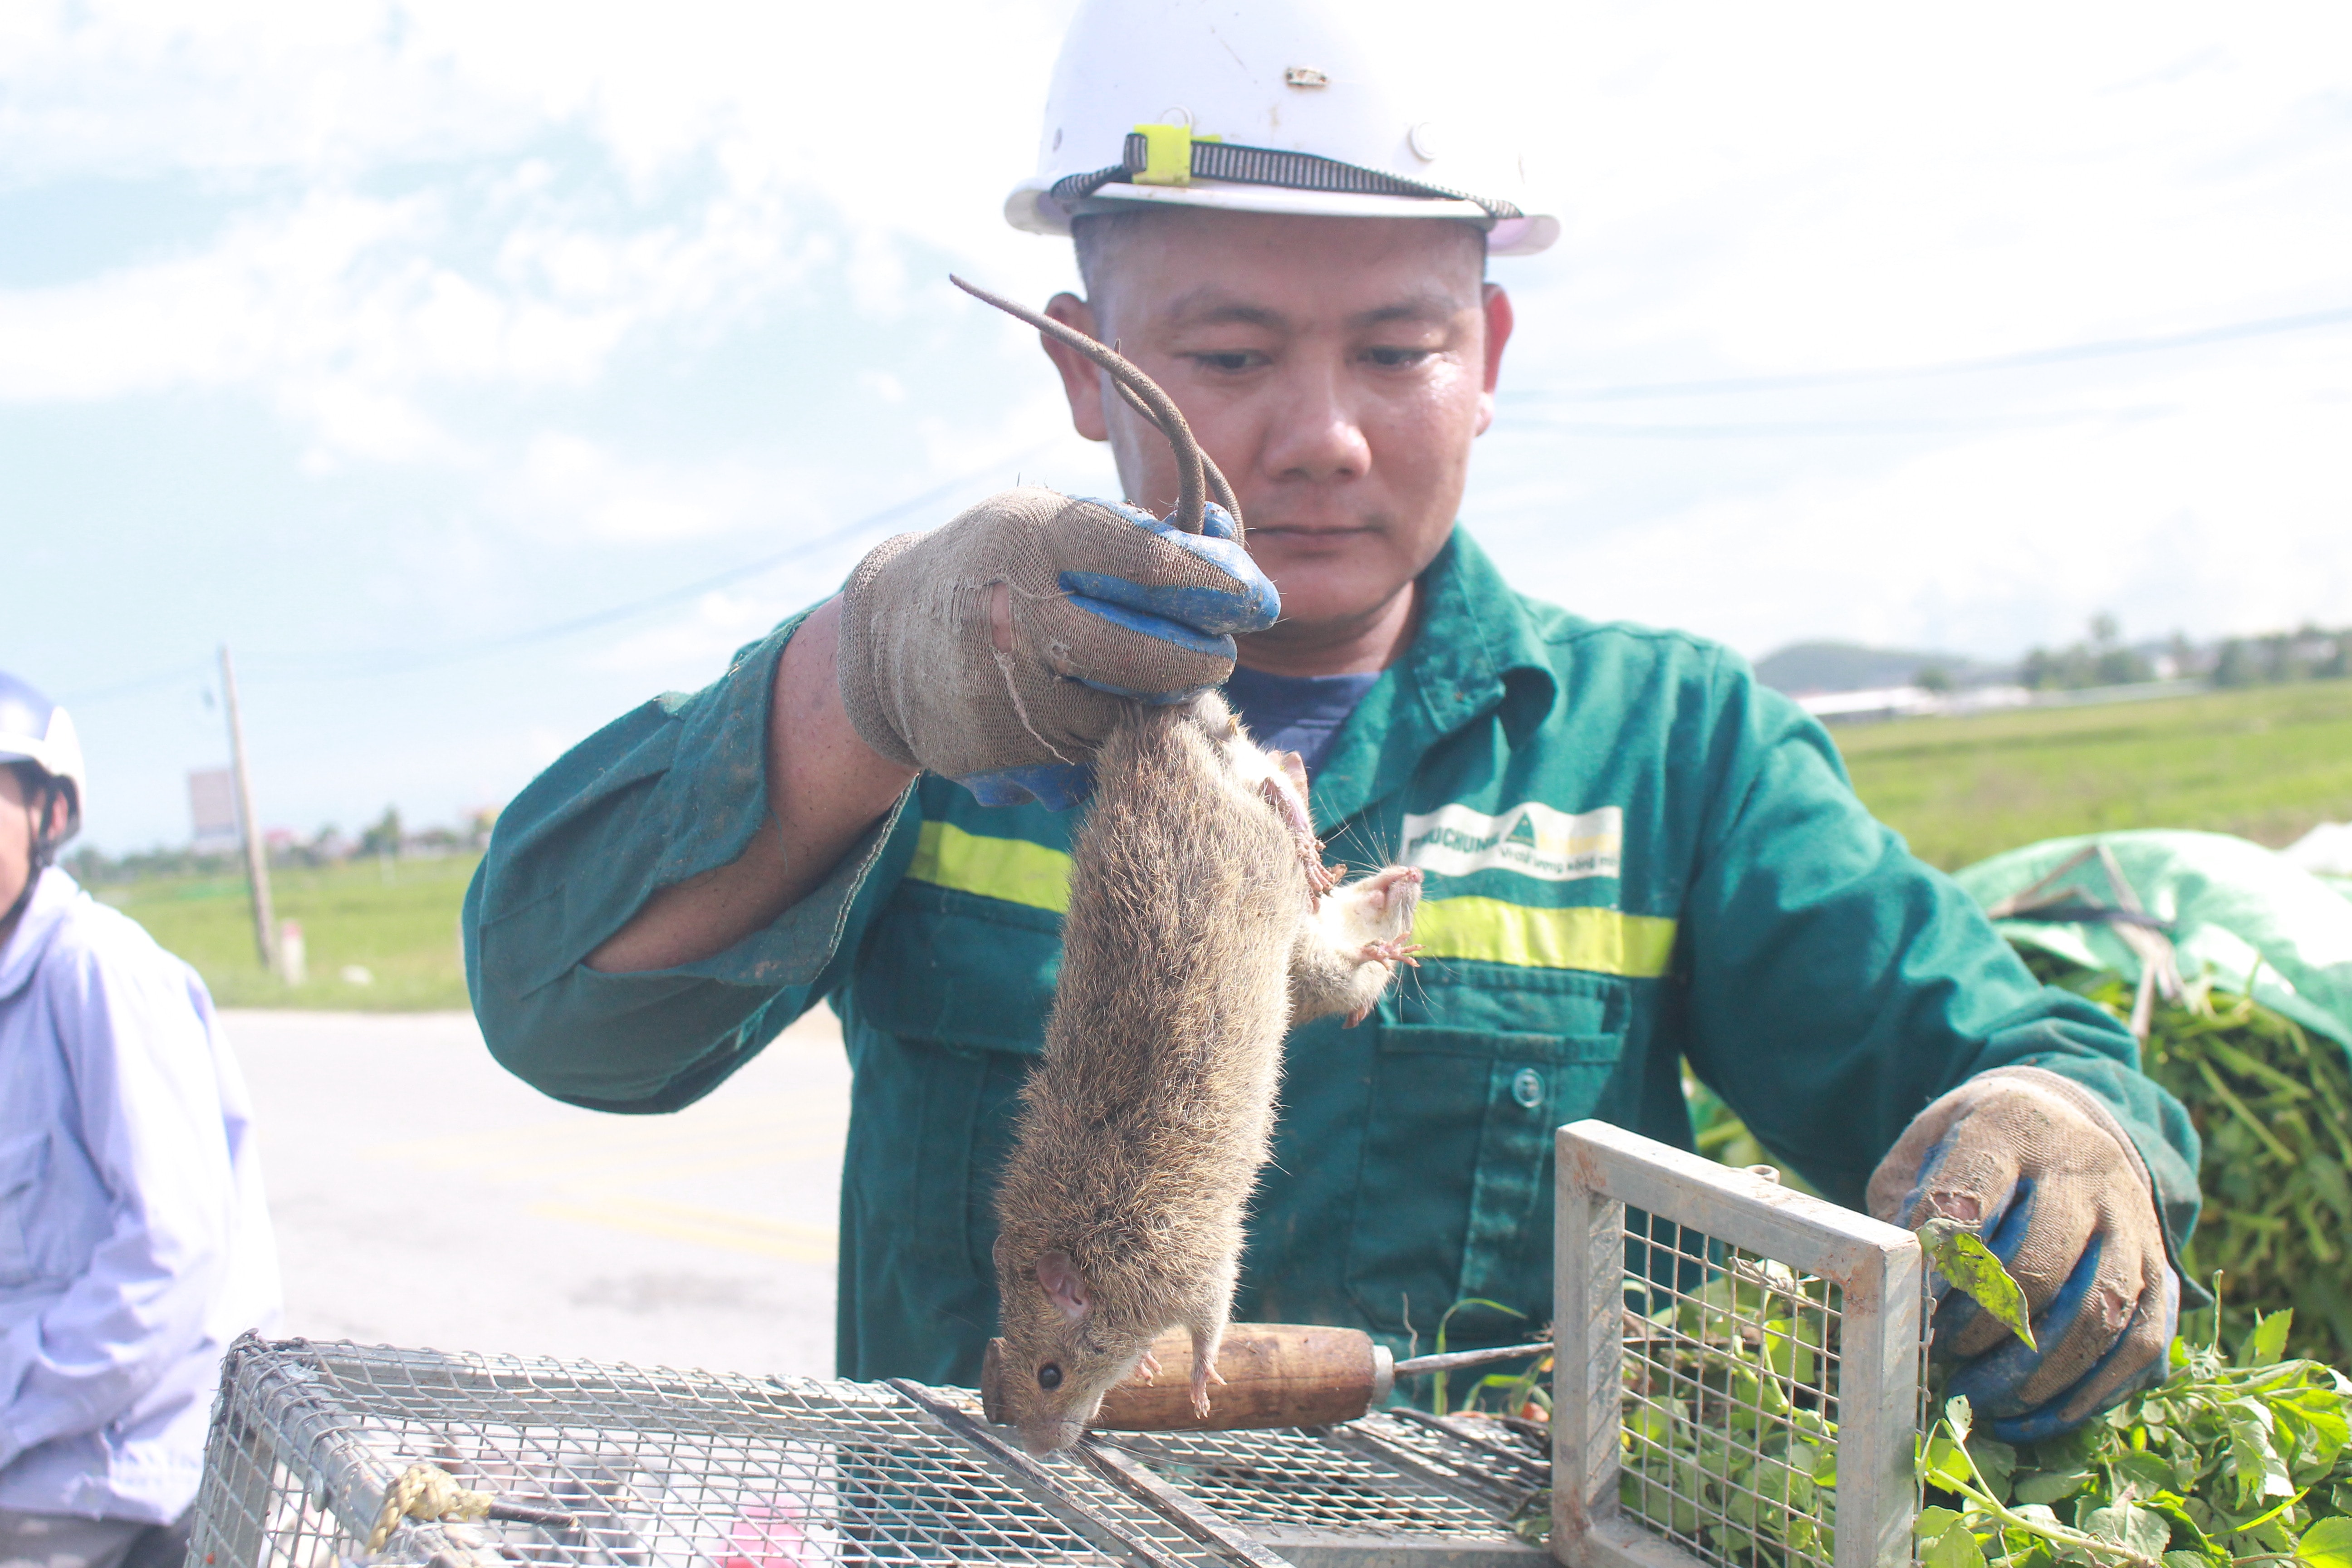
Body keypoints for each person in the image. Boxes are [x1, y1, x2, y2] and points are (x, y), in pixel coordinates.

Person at [466, 0, 2200, 1444]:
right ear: (1085, 361)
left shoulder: (1671, 750)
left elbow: (1998, 1060)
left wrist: (2065, 1128)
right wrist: (868, 676)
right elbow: (560, 1012)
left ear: (1488, 351)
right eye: (1225, 356)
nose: (1321, 437)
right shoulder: (939, 721)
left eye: (1395, 348)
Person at [0, 675, 281, 1568]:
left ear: (49, 813)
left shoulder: (99, 974)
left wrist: (13, 1401)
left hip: (99, 1487)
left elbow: (172, 1252)